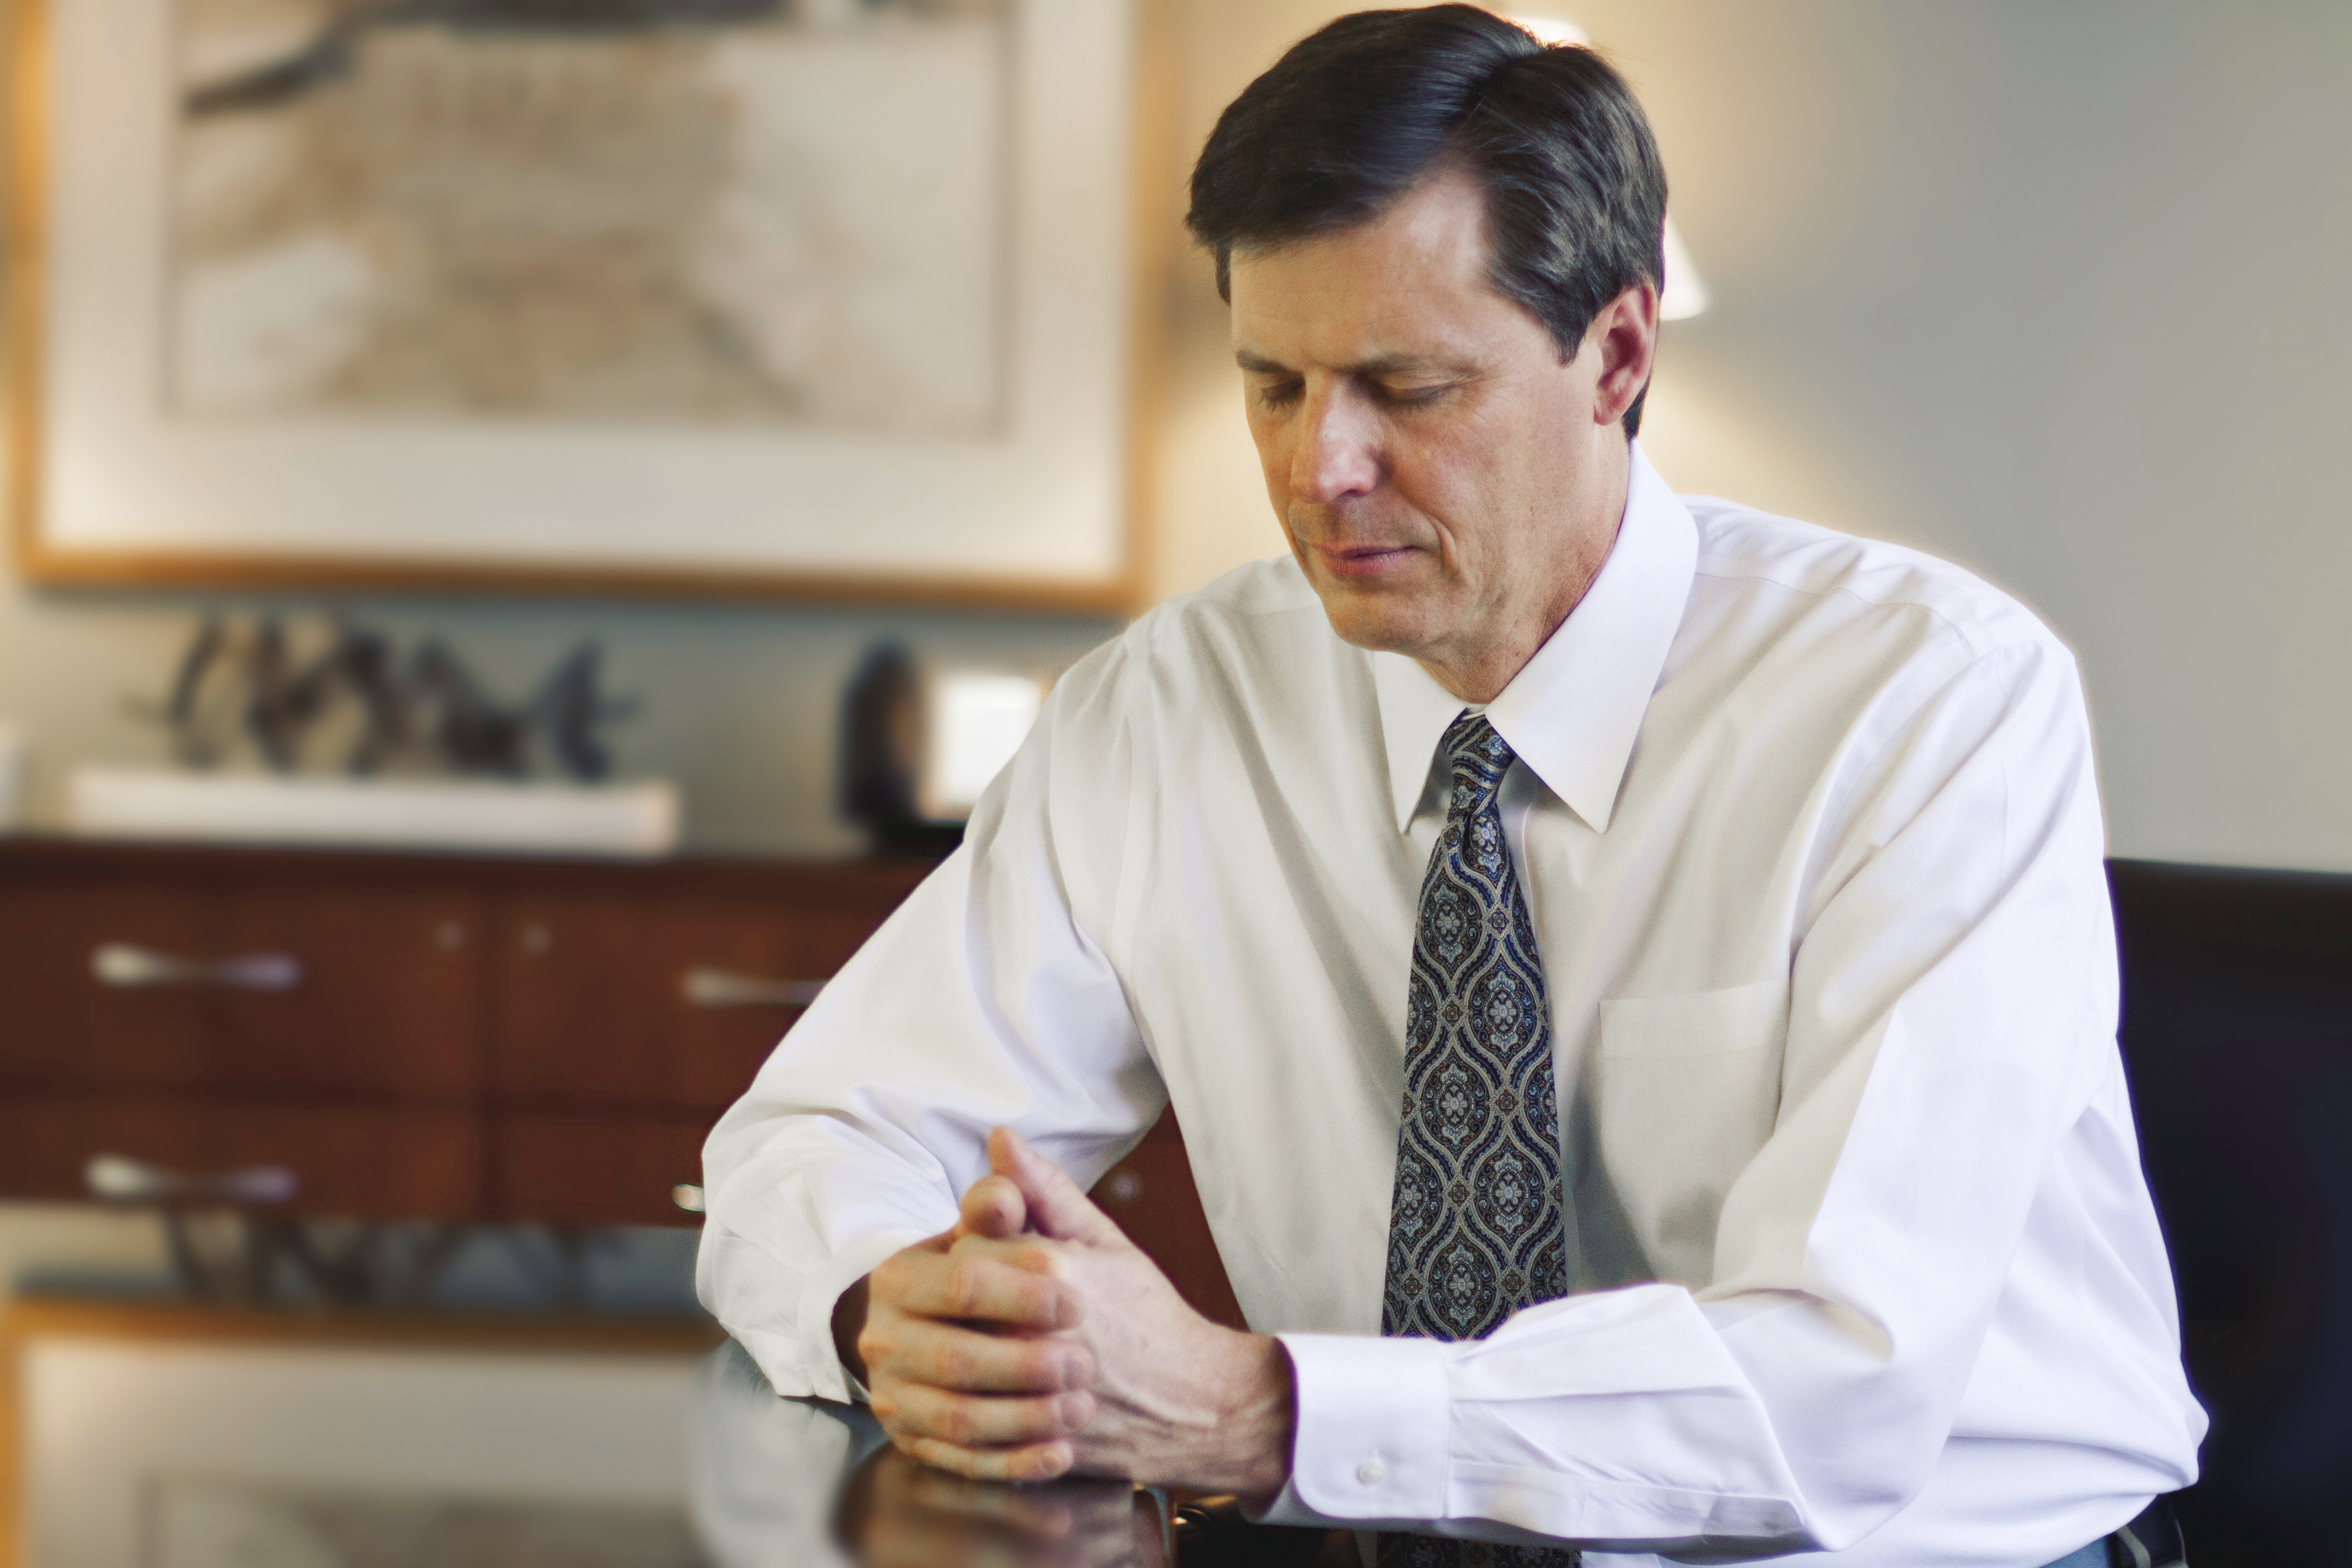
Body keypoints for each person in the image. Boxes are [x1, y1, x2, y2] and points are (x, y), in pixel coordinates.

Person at [698, 8, 2205, 1564]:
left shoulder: (1925, 704)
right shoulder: (1168, 710)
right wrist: (907, 1307)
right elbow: (803, 1145)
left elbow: (1842, 1388)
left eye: (1405, 388)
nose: (1316, 469)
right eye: (1272, 385)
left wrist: (1255, 1412)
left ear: (1615, 354)